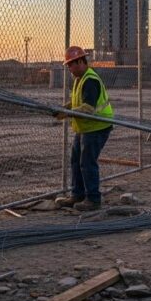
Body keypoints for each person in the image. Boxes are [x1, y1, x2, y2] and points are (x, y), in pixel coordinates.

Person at [53, 46, 114, 211]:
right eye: (68, 66)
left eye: (71, 65)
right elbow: (76, 102)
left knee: (87, 162)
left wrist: (67, 113)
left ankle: (93, 199)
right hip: (85, 128)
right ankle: (77, 194)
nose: (69, 69)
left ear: (80, 61)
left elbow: (87, 108)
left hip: (97, 127)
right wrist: (62, 109)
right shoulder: (80, 79)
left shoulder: (90, 80)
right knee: (76, 161)